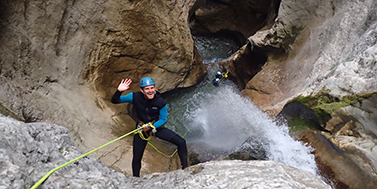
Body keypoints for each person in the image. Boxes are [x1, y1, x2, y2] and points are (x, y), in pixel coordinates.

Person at [111, 76, 188, 177]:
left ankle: (185, 168)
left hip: (156, 127)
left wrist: (152, 127)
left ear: (155, 88)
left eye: (152, 88)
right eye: (147, 89)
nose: (150, 91)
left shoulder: (160, 102)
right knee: (137, 157)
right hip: (141, 129)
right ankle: (135, 179)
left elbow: (163, 119)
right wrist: (119, 91)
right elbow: (115, 101)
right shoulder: (135, 97)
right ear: (141, 90)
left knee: (181, 142)